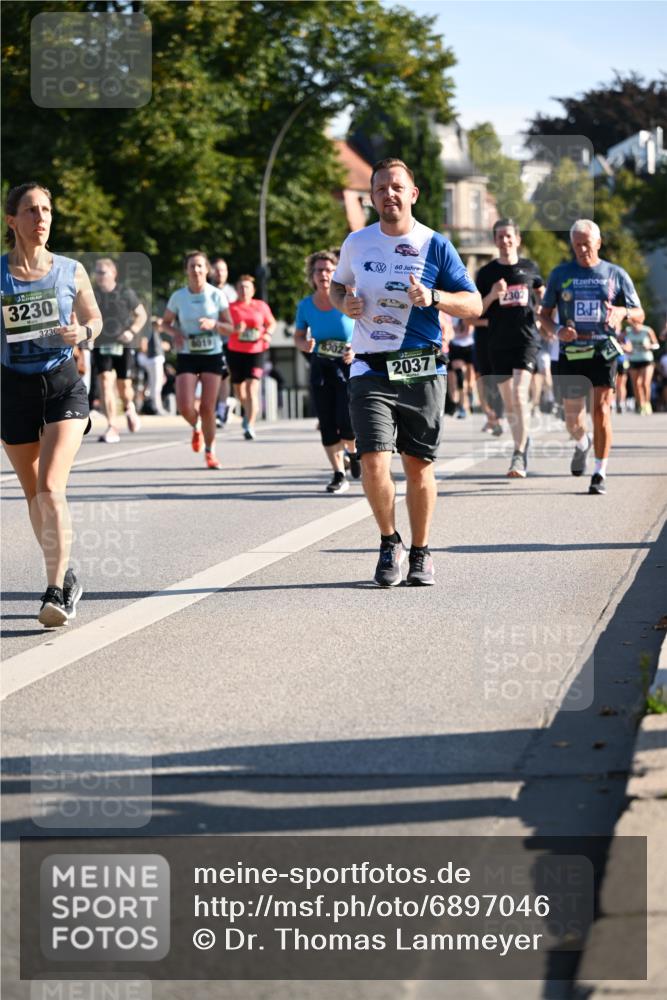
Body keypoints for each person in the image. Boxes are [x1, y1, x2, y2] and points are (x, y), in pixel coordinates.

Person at [330, 157, 482, 587]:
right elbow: (338, 285)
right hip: (369, 367)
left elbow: (473, 305)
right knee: (373, 458)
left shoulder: (435, 245)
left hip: (420, 367)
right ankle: (387, 541)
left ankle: (421, 550)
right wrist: (345, 303)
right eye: (380, 189)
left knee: (417, 465)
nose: (388, 195)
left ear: (412, 194)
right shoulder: (357, 243)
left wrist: (433, 297)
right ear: (373, 196)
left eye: (396, 187)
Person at [1, 182, 102, 626]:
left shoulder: (70, 270)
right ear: (12, 221)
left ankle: (55, 590)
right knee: (32, 497)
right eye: (30, 210)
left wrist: (84, 333)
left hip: (63, 386)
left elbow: (95, 318)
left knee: (50, 487)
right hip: (13, 391)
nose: (41, 218)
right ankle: (66, 574)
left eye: (46, 210)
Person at [539, 219, 644, 495]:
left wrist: (623, 312)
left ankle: (600, 471)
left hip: (602, 350)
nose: (582, 250)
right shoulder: (561, 273)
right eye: (577, 245)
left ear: (598, 242)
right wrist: (559, 330)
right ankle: (582, 442)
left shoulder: (615, 274)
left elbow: (639, 315)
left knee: (602, 410)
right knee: (573, 419)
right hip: (572, 352)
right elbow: (543, 316)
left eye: (587, 244)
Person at [476, 219, 544, 478]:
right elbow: (476, 311)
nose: (505, 241)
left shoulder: (529, 267)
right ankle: (523, 440)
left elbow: (540, 289)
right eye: (500, 237)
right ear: (495, 241)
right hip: (497, 343)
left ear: (517, 239)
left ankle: (519, 453)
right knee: (509, 403)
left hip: (526, 339)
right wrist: (493, 294)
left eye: (509, 236)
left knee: (519, 394)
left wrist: (542, 306)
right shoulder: (486, 274)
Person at [294, 249, 359, 493]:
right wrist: (305, 345)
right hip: (321, 366)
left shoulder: (347, 298)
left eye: (329, 270)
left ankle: (353, 453)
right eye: (319, 270)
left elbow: (365, 329)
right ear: (312, 276)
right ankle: (338, 473)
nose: (324, 274)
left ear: (337, 274)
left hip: (348, 365)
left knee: (347, 420)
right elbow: (298, 337)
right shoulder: (305, 306)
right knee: (327, 422)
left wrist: (356, 350)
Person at [161, 251, 233, 469]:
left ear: (207, 269)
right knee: (184, 405)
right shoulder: (178, 297)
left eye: (200, 266)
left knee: (208, 407)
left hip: (212, 354)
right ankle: (197, 426)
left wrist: (214, 325)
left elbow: (231, 327)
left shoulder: (217, 295)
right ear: (186, 270)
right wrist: (176, 334)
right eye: (192, 266)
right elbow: (165, 323)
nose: (196, 270)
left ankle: (210, 452)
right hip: (188, 354)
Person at [91, 257, 147, 443]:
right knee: (105, 382)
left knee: (124, 388)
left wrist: (132, 332)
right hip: (101, 343)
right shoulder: (91, 293)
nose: (99, 276)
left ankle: (129, 406)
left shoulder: (125, 292)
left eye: (102, 272)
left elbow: (141, 315)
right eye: (97, 272)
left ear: (113, 273)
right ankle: (112, 426)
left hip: (123, 343)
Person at [227, 275, 276, 439]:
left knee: (251, 388)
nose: (244, 290)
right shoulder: (230, 307)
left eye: (247, 287)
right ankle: (248, 411)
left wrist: (268, 333)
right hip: (235, 351)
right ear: (236, 290)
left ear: (253, 290)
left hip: (257, 350)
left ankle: (250, 424)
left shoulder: (261, 306)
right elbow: (223, 328)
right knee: (239, 391)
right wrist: (235, 329)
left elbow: (271, 323)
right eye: (241, 287)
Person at [209, 256, 237, 427]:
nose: (220, 273)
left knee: (223, 375)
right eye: (217, 269)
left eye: (223, 270)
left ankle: (221, 409)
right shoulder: (206, 290)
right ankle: (215, 407)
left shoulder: (232, 293)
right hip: (210, 340)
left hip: (228, 341)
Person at [623, 315, 659, 415]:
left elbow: (656, 344)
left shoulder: (647, 330)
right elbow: (620, 341)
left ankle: (647, 403)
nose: (634, 324)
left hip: (646, 359)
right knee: (636, 385)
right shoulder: (628, 330)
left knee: (645, 383)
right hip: (634, 360)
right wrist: (625, 348)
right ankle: (640, 405)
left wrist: (650, 346)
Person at [136, 316, 167, 416]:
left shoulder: (156, 334)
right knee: (156, 385)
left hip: (155, 360)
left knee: (155, 384)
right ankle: (156, 407)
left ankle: (156, 406)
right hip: (154, 360)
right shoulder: (151, 330)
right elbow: (143, 345)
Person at [447, 318, 476, 419]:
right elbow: (448, 330)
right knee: (460, 379)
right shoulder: (450, 315)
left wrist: (454, 332)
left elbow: (468, 330)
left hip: (469, 347)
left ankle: (470, 395)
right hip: (455, 348)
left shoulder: (465, 311)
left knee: (470, 382)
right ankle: (462, 407)